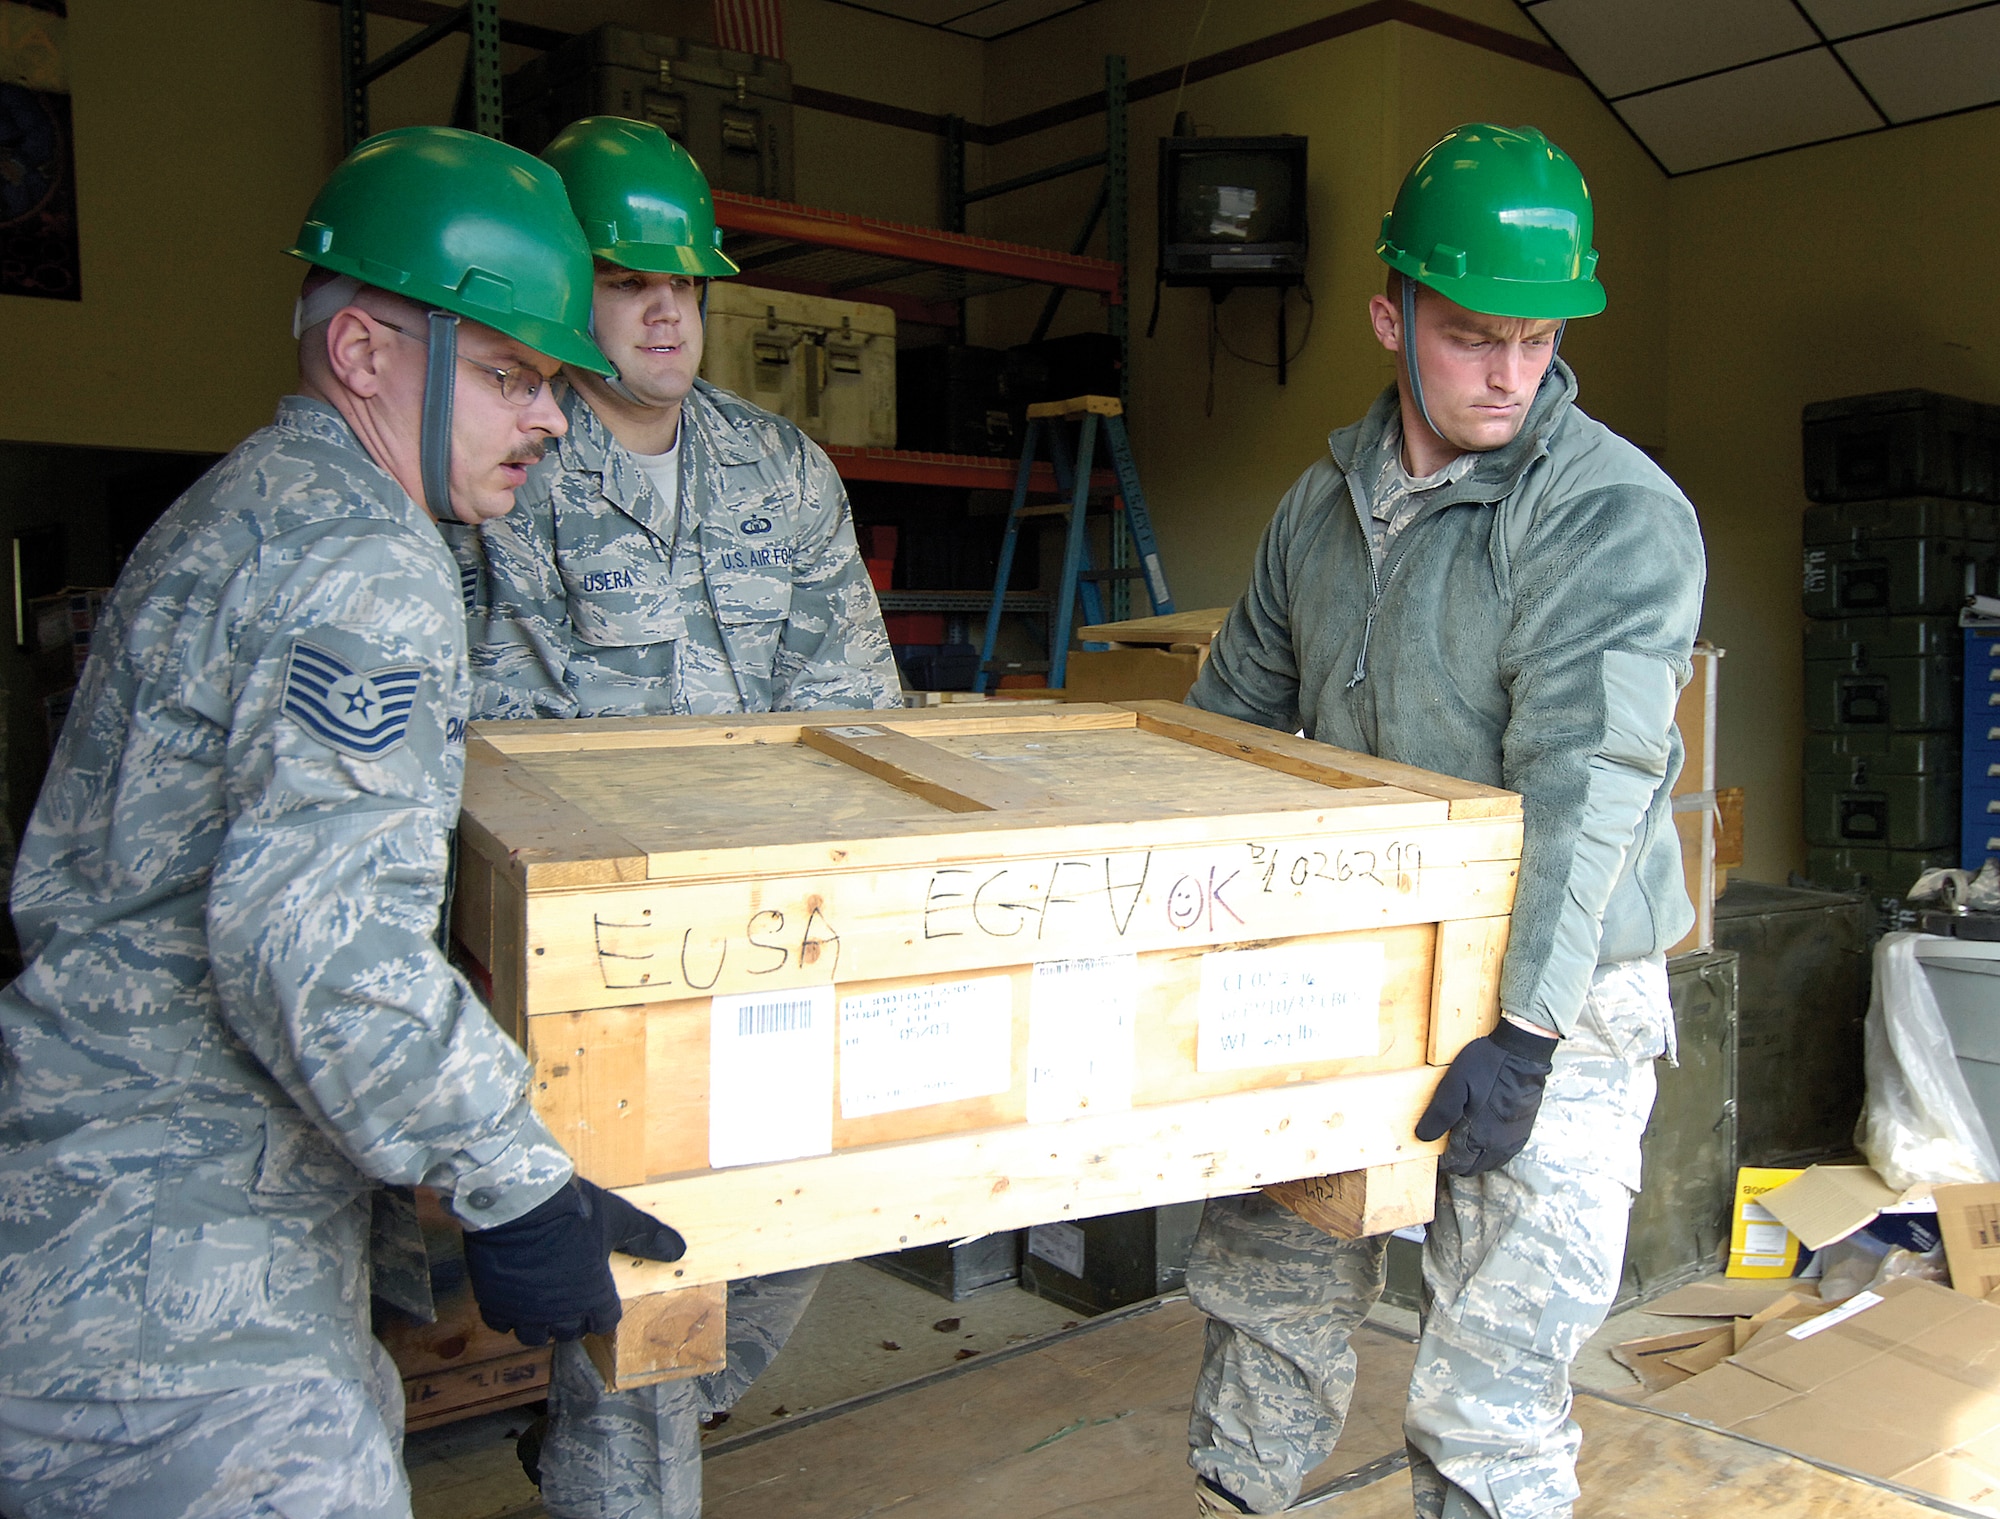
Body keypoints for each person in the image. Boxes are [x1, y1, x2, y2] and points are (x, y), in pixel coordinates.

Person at [0, 127, 682, 1519]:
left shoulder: (251, 505)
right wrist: (515, 1178)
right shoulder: (360, 561)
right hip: (180, 1294)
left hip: (109, 1216)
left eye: (551, 381)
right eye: (509, 375)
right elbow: (312, 943)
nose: (550, 418)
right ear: (367, 355)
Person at [1181, 124, 1705, 1519]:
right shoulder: (1318, 510)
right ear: (1390, 315)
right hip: (1362, 964)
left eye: (1538, 340)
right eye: (1474, 337)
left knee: (1490, 1386)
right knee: (1267, 1302)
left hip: (1560, 991)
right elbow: (1223, 727)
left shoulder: (1608, 514)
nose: (1510, 377)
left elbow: (1587, 785)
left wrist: (1525, 1030)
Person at [446, 117, 897, 1519]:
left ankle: (600, 1433)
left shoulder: (784, 472)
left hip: (773, 935)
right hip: (594, 956)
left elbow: (854, 716)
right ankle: (613, 1469)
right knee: (645, 1270)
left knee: (814, 1211)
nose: (664, 312)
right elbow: (480, 749)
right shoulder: (501, 468)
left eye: (685, 285)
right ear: (563, 290)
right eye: (629, 282)